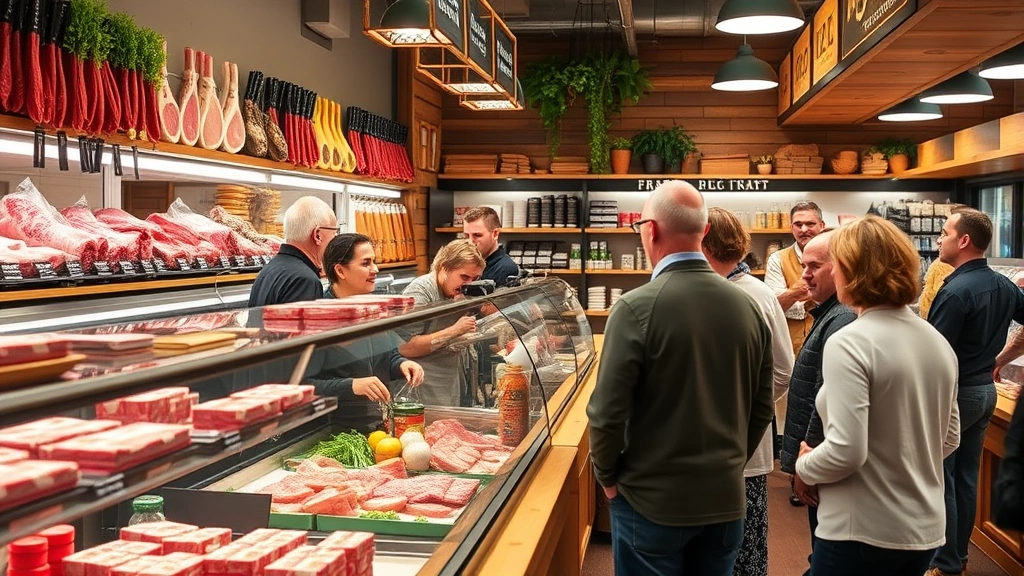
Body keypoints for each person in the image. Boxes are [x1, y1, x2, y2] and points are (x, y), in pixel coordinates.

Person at [587, 181, 774, 576]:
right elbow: (762, 404)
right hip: (725, 500)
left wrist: (608, 479)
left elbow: (606, 413)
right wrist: (730, 464)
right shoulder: (748, 306)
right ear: (705, 231)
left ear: (650, 230)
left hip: (651, 501)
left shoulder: (635, 307)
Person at [796, 215, 960, 576]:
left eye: (834, 264)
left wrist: (804, 464)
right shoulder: (935, 340)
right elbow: (948, 437)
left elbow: (845, 450)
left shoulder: (851, 341)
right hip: (924, 530)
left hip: (862, 531)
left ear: (851, 270)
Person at [927, 207, 1024, 576]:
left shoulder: (954, 291)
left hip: (955, 395)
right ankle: (959, 559)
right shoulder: (1004, 286)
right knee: (965, 478)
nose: (938, 238)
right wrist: (1001, 358)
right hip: (985, 391)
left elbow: (933, 354)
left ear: (963, 240)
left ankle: (946, 562)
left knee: (942, 479)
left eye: (944, 232)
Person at [702, 207, 794, 576]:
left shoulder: (755, 295)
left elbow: (783, 370)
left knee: (740, 546)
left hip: (741, 449)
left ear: (705, 243)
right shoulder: (746, 292)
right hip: (723, 447)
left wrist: (740, 408)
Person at [779, 229, 857, 573]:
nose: (804, 275)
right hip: (819, 461)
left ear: (842, 267)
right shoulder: (829, 312)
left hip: (823, 464)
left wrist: (807, 461)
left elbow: (824, 402)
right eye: (802, 265)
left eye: (814, 266)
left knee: (827, 557)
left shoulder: (841, 319)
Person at [307, 234, 423, 431]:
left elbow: (387, 356)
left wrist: (401, 364)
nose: (375, 269)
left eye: (374, 262)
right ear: (340, 270)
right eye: (366, 263)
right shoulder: (317, 319)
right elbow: (304, 386)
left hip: (378, 425)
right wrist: (351, 386)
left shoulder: (373, 310)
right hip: (335, 433)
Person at [399, 239, 485, 406]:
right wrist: (454, 331)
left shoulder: (457, 292)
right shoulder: (420, 292)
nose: (469, 284)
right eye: (464, 277)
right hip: (423, 386)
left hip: (450, 380)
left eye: (475, 278)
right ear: (445, 268)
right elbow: (405, 347)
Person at [249, 196, 337, 307]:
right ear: (317, 235)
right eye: (334, 234)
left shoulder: (270, 268)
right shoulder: (305, 280)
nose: (334, 240)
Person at [764, 201, 826, 354]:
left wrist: (792, 297)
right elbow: (773, 308)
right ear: (791, 227)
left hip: (829, 342)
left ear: (822, 225)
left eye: (810, 224)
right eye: (798, 224)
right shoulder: (777, 259)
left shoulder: (838, 256)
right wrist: (796, 293)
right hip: (790, 349)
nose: (804, 229)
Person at [462, 206, 519, 287]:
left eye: (477, 235)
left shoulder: (505, 269)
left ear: (495, 234)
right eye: (466, 236)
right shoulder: (467, 263)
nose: (470, 242)